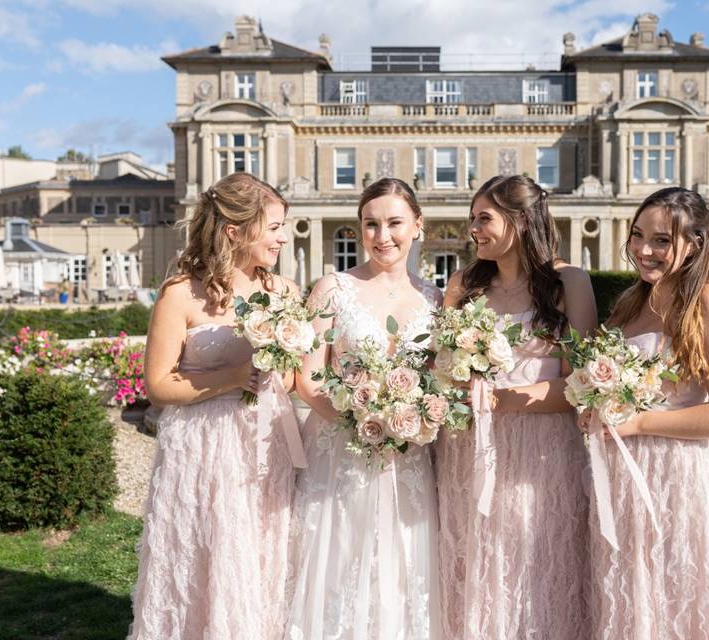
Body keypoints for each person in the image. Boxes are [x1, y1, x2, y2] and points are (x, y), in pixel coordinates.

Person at [129, 172, 302, 639]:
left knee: (262, 550)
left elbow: (291, 376)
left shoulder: (283, 293)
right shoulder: (181, 293)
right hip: (201, 447)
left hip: (266, 444)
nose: (282, 237)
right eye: (273, 227)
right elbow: (158, 386)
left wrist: (278, 371)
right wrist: (232, 377)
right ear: (234, 230)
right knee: (203, 552)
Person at [584, 186, 709, 639]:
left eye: (662, 240)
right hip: (622, 479)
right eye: (638, 235)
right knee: (630, 598)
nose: (644, 249)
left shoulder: (708, 302)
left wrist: (640, 422)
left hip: (677, 479)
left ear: (695, 243)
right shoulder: (631, 303)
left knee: (677, 599)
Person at [436, 174, 598, 639]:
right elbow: (443, 370)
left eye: (484, 218)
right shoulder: (463, 284)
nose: (474, 229)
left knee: (534, 567)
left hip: (541, 456)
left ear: (521, 220)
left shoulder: (569, 282)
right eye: (472, 219)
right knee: (477, 564)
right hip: (469, 448)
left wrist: (500, 399)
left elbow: (579, 384)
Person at [287, 178, 442, 639]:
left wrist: (415, 418)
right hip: (340, 453)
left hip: (408, 459)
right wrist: (364, 422)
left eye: (394, 223)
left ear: (418, 226)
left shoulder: (435, 299)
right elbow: (309, 377)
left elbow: (438, 381)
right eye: (370, 225)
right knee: (340, 556)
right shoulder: (333, 289)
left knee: (401, 560)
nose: (382, 236)